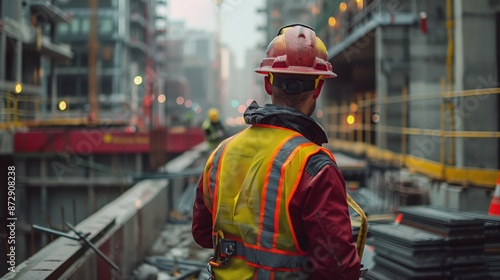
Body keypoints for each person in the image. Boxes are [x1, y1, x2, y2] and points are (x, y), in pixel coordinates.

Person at [192, 24, 360, 279]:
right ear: (317, 88)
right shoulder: (314, 166)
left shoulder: (222, 154)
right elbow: (339, 268)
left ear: (268, 84)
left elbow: (203, 234)